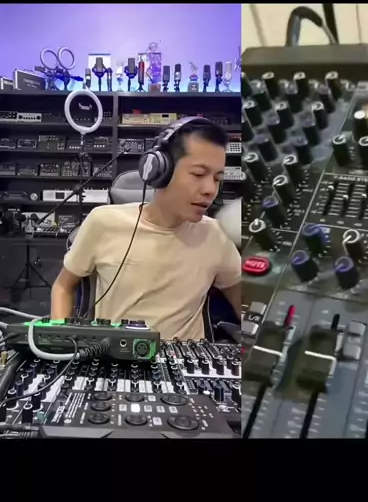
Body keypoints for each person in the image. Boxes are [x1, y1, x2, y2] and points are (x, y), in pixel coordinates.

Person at [51, 119, 241, 340]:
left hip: (184, 357)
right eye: (198, 174)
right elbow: (63, 287)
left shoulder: (216, 235)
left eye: (217, 179)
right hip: (115, 352)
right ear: (160, 170)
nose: (210, 190)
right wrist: (59, 342)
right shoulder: (103, 222)